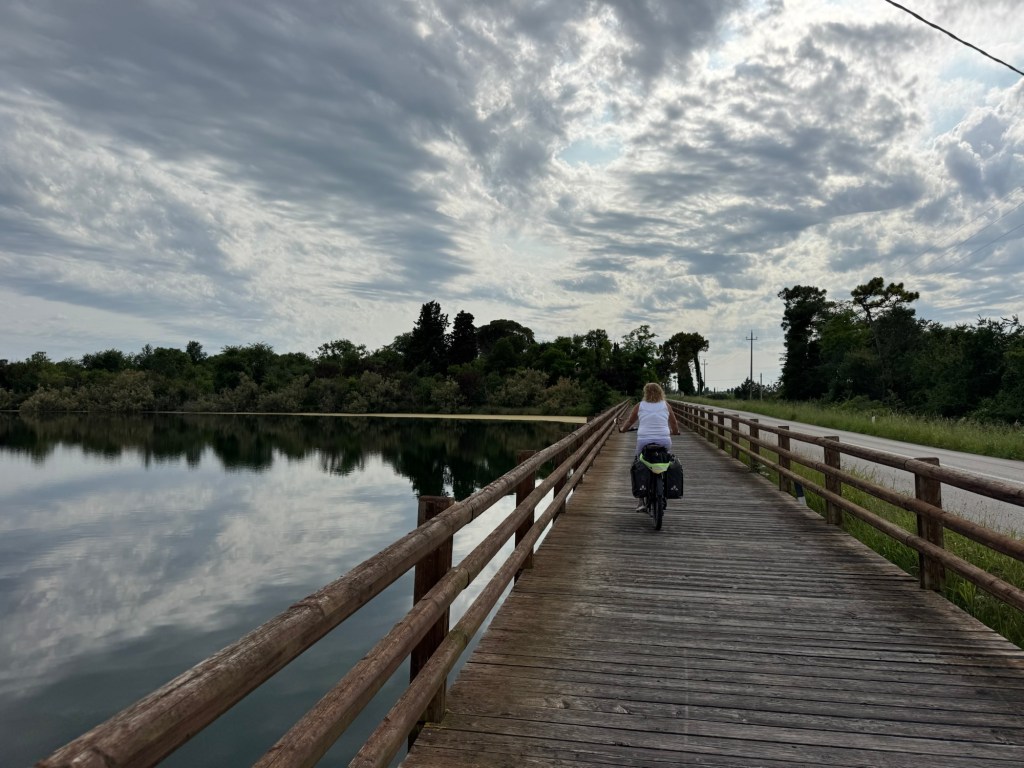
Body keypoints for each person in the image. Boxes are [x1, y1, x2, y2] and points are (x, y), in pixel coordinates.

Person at [618, 382, 680, 511]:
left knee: (638, 462)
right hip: (664, 440)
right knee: (666, 459)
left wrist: (623, 429)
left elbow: (630, 421)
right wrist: (675, 432)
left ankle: (641, 500)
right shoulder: (666, 405)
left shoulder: (640, 405)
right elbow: (673, 422)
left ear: (645, 392)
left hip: (644, 440)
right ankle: (665, 487)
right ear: (660, 392)